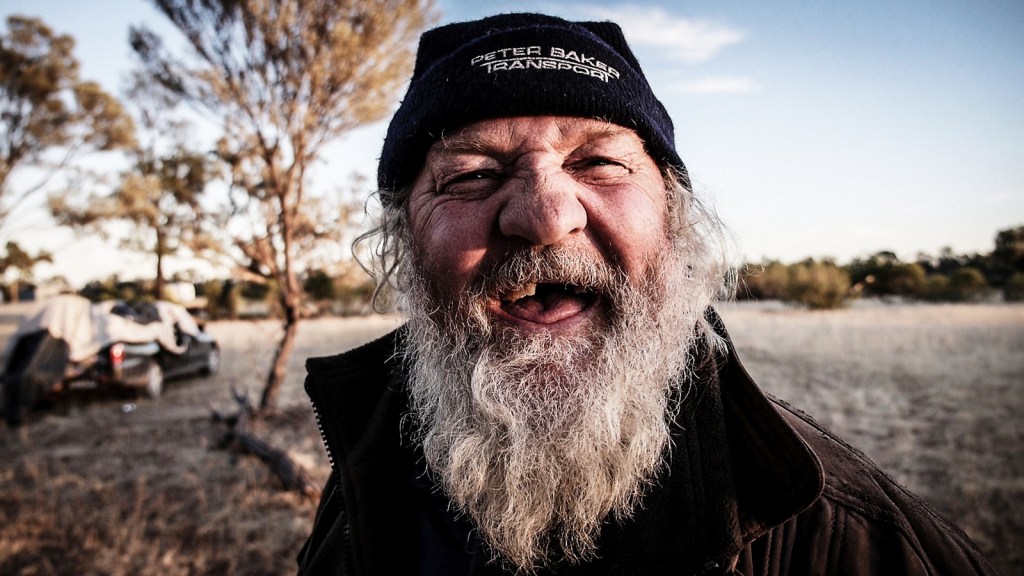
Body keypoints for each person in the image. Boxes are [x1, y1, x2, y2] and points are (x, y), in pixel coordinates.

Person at [297, 13, 998, 576]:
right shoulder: (370, 472)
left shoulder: (850, 533)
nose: (544, 215)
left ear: (675, 220)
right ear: (405, 245)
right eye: (474, 174)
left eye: (599, 163)